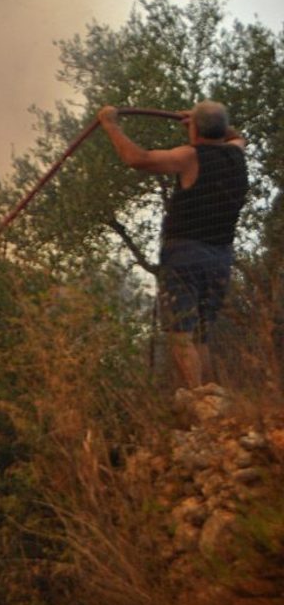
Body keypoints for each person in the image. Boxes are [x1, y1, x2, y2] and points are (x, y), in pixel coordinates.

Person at [97, 101, 248, 389]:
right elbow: (238, 135)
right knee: (201, 336)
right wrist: (206, 122)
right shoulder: (236, 152)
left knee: (180, 333)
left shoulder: (190, 157)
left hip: (185, 254)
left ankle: (198, 401)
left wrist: (111, 125)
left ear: (196, 129)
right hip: (221, 257)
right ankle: (209, 400)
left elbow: (138, 159)